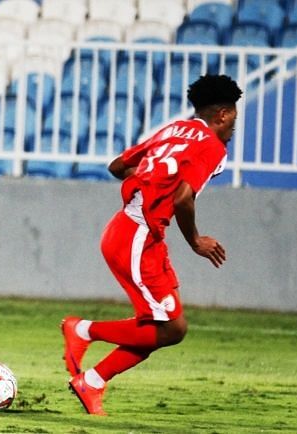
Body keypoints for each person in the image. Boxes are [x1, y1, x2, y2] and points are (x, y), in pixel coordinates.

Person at [61, 74, 242, 416]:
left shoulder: (175, 128)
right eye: (233, 115)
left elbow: (117, 166)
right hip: (137, 235)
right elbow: (183, 199)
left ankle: (93, 381)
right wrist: (195, 241)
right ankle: (82, 330)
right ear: (221, 114)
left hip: (141, 233)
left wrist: (148, 182)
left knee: (166, 328)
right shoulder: (213, 147)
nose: (234, 124)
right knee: (171, 328)